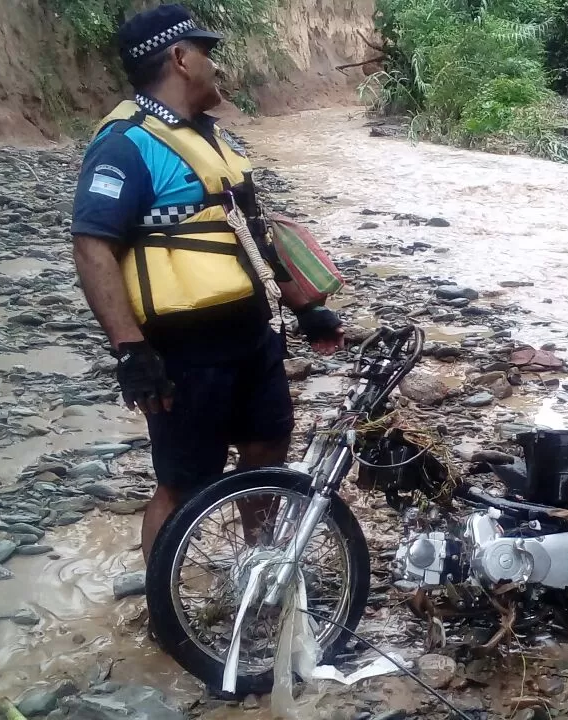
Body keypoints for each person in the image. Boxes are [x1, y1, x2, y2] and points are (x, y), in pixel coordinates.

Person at [69, 4, 344, 563]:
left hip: (252, 338)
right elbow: (91, 244)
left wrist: (303, 308)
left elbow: (251, 237)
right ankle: (164, 614)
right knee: (184, 481)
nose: (215, 66)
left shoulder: (213, 141)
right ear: (180, 58)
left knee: (266, 454)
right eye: (207, 53)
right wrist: (131, 352)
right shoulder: (126, 145)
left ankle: (259, 566)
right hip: (184, 353)